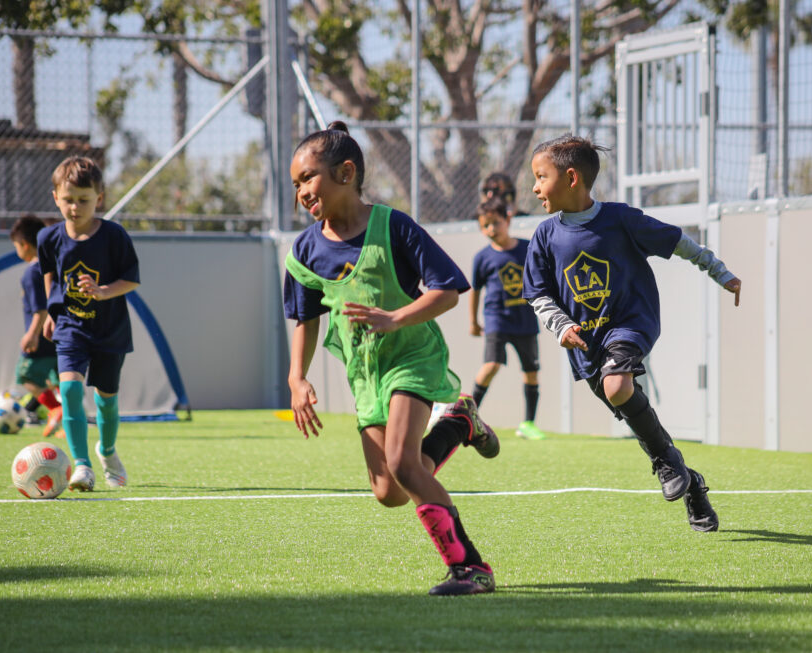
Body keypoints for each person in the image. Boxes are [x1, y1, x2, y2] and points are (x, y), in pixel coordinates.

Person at [283, 121, 499, 596]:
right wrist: (297, 378)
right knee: (390, 491)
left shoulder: (392, 225)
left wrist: (397, 318)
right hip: (367, 374)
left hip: (413, 356)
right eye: (295, 184)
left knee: (403, 463)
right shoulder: (304, 250)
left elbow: (448, 290)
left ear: (345, 172)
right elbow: (305, 317)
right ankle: (460, 423)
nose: (301, 191)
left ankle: (470, 568)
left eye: (308, 178)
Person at [522, 135, 742, 532]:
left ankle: (667, 463)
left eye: (541, 177)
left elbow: (678, 242)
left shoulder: (621, 219)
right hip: (584, 345)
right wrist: (561, 325)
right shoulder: (544, 236)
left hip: (630, 324)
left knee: (617, 386)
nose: (535, 188)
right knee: (625, 403)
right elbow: (537, 294)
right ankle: (687, 479)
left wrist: (720, 272)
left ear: (571, 177)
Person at [37, 156, 140, 492]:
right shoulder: (48, 238)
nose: (75, 207)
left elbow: (131, 280)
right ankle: (82, 466)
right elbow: (49, 273)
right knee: (68, 389)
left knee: (107, 400)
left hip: (110, 329)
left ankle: (106, 451)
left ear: (99, 197)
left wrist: (102, 291)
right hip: (71, 327)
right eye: (68, 200)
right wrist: (53, 311)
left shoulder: (114, 236)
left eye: (84, 200)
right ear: (56, 197)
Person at [468, 196, 546, 440]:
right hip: (496, 320)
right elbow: (475, 291)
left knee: (531, 371)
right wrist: (473, 321)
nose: (491, 229)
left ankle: (528, 424)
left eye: (495, 223)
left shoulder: (528, 248)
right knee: (491, 365)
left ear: (507, 220)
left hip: (525, 320)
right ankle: (468, 417)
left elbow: (542, 277)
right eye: (485, 225)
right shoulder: (482, 258)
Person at [8, 215, 64, 437]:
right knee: (61, 380)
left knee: (26, 376)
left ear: (24, 245)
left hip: (42, 337)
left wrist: (32, 334)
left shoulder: (33, 271)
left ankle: (54, 409)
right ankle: (67, 422)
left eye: (16, 246)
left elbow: (40, 309)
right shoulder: (54, 266)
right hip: (60, 335)